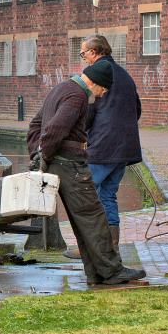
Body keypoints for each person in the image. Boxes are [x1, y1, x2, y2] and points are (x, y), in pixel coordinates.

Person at [27, 60, 146, 285]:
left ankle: (95, 273)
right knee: (93, 217)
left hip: (58, 162)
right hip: (70, 164)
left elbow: (35, 125)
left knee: (81, 220)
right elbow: (55, 130)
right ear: (94, 82)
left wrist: (37, 154)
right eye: (103, 89)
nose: (101, 95)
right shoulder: (77, 96)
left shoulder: (60, 89)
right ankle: (111, 271)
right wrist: (43, 157)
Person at [61, 35, 141, 258]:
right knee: (108, 196)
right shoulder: (125, 74)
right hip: (125, 148)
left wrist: (80, 135)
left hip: (103, 147)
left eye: (84, 53)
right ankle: (111, 246)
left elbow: (86, 110)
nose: (83, 57)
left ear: (95, 53)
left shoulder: (94, 75)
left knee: (84, 194)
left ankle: (89, 246)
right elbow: (137, 109)